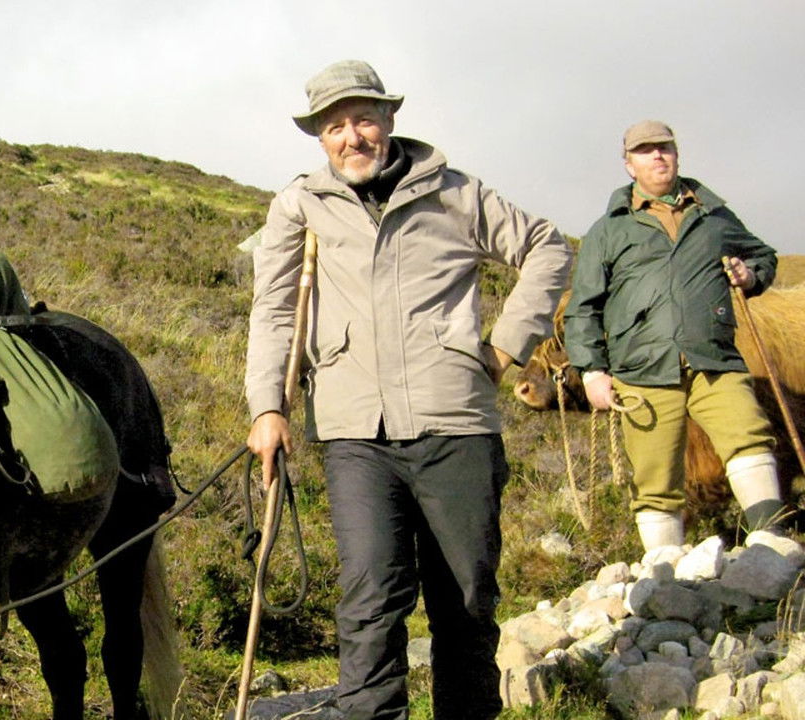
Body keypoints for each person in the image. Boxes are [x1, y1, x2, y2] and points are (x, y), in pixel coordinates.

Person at [244, 59, 571, 720]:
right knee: (369, 596)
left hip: (456, 423)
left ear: (389, 120)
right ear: (319, 136)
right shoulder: (300, 204)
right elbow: (276, 310)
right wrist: (268, 407)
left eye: (363, 118)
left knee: (467, 596)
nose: (351, 136)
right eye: (334, 126)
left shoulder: (454, 192)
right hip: (354, 433)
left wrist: (505, 345)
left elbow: (548, 247)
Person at [563, 120, 787, 550]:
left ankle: (772, 547)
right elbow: (583, 308)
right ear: (629, 165)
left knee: (749, 436)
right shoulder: (607, 230)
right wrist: (592, 371)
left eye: (664, 147)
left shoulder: (713, 216)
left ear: (677, 154)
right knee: (655, 476)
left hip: (713, 360)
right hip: (642, 369)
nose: (657, 156)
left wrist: (750, 274)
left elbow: (762, 255)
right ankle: (664, 576)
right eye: (645, 151)